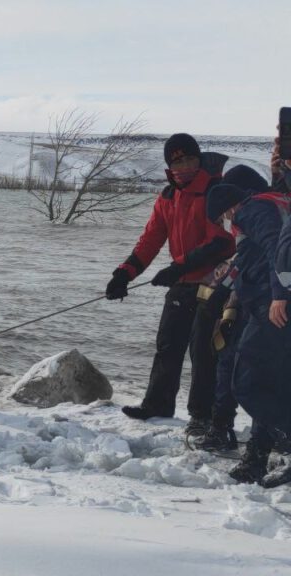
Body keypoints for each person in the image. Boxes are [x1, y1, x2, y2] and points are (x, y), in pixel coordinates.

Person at [105, 133, 234, 434]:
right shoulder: (167, 197)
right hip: (182, 281)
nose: (185, 165)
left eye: (190, 159)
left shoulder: (216, 191)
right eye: (178, 161)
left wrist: (179, 266)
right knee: (167, 345)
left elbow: (222, 243)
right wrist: (125, 273)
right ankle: (158, 404)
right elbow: (150, 240)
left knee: (204, 351)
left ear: (198, 160)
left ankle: (202, 416)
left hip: (214, 282)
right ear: (169, 166)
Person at [206, 181, 291, 486]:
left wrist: (280, 294)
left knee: (248, 383)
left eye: (221, 217)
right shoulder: (266, 207)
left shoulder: (254, 210)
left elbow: (276, 249)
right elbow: (253, 258)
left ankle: (267, 451)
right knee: (273, 382)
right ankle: (256, 459)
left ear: (229, 207)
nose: (226, 224)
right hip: (265, 304)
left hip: (273, 307)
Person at [193, 165, 269, 453]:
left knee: (249, 367)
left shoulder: (259, 214)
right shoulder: (258, 212)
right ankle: (223, 426)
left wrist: (222, 289)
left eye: (228, 209)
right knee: (230, 359)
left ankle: (244, 435)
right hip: (249, 299)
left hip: (263, 302)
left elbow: (251, 260)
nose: (227, 217)